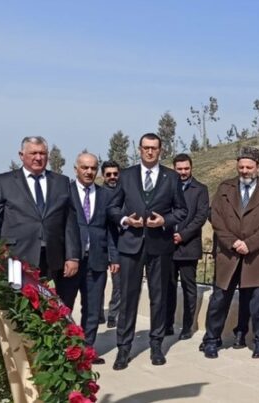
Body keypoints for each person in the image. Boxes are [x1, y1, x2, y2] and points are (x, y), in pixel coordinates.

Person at [107, 133, 188, 369]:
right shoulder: (127, 175)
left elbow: (181, 211)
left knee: (159, 297)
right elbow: (112, 207)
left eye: (154, 148)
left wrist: (165, 220)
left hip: (159, 245)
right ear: (139, 149)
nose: (149, 152)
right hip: (131, 245)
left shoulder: (171, 177)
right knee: (128, 298)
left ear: (160, 150)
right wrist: (125, 220)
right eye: (145, 148)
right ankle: (124, 348)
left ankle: (156, 345)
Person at [0, 136, 81, 307]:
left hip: (52, 258)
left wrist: (72, 256)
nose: (38, 157)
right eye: (33, 153)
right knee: (18, 309)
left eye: (42, 153)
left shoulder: (61, 182)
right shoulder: (3, 182)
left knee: (51, 308)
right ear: (21, 155)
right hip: (16, 257)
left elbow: (70, 222)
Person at [201, 146, 259, 359]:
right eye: (241, 167)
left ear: (258, 167)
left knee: (258, 303)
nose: (244, 171)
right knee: (219, 300)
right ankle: (211, 339)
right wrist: (234, 242)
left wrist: (250, 244)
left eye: (249, 167)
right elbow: (216, 218)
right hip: (229, 254)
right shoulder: (225, 188)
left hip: (257, 255)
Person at [69, 153, 120, 364]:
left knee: (92, 308)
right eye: (84, 167)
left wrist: (113, 257)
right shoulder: (66, 193)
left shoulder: (104, 195)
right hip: (71, 261)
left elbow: (110, 229)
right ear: (76, 169)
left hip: (97, 260)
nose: (89, 172)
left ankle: (87, 351)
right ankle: (67, 349)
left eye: (93, 168)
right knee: (65, 307)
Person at [166, 153, 209, 340]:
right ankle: (167, 324)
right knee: (168, 288)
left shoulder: (200, 189)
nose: (183, 172)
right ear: (174, 169)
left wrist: (182, 235)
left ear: (191, 168)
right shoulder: (166, 188)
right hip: (167, 246)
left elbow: (200, 216)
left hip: (188, 246)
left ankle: (187, 326)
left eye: (186, 169)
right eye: (179, 169)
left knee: (189, 288)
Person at [100, 160, 121, 328]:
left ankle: (113, 314)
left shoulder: (124, 193)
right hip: (99, 247)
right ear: (103, 176)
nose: (112, 177)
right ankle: (98, 313)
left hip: (117, 245)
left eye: (115, 174)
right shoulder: (99, 195)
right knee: (96, 285)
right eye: (109, 174)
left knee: (118, 284)